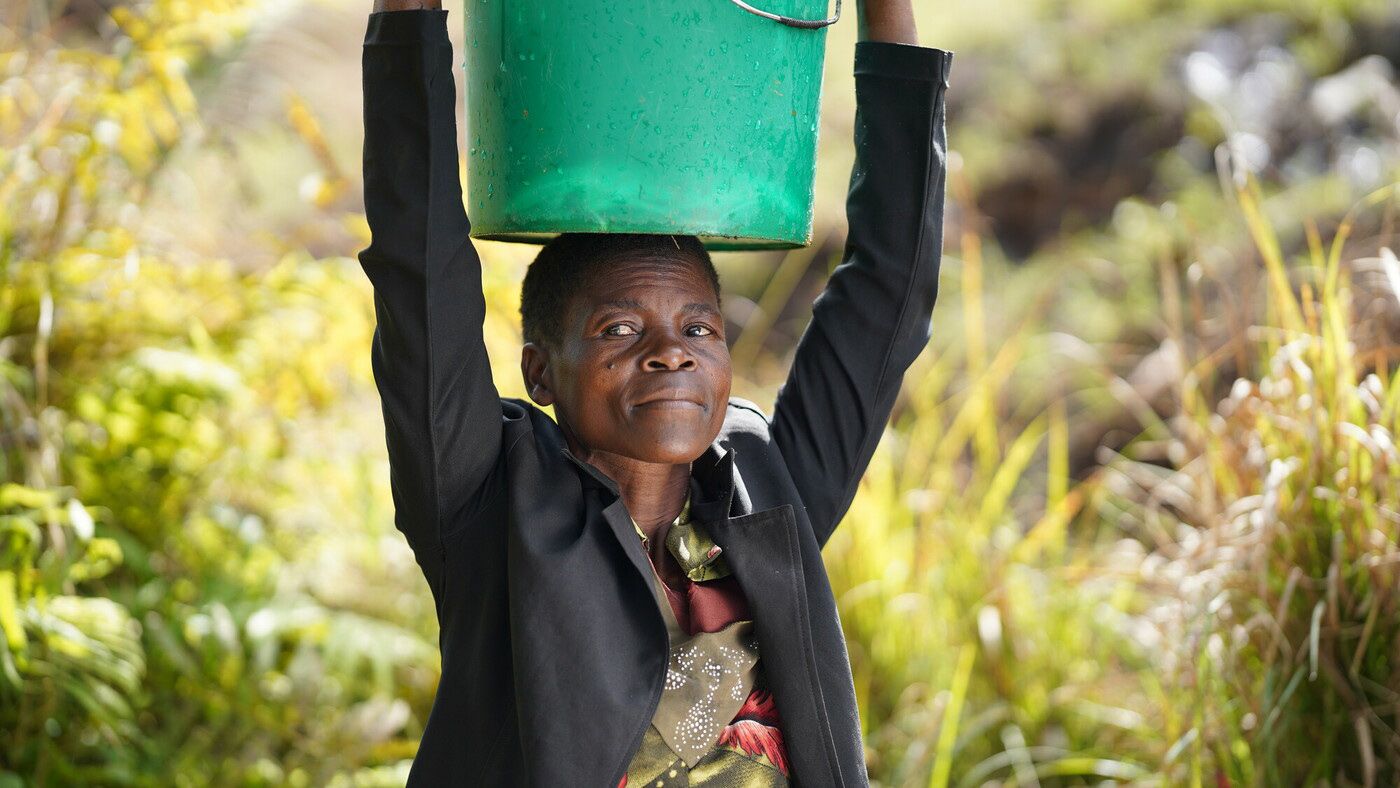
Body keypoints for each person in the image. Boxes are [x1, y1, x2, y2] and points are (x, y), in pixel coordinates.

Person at [358, 0, 951, 783]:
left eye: (699, 329)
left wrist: (887, 14)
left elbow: (889, 291)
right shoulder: (486, 500)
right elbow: (419, 265)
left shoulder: (770, 488)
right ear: (540, 371)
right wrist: (409, 15)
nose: (671, 354)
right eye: (619, 331)